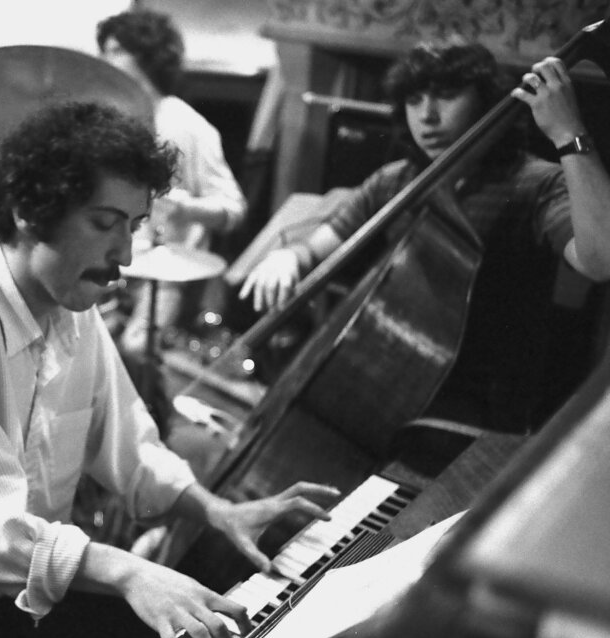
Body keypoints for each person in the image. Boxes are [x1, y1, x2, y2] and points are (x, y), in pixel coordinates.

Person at [0, 101, 339, 638]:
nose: (126, 254)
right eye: (104, 223)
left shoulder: (74, 310)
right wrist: (130, 572)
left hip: (23, 599)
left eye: (133, 226)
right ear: (28, 212)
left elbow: (130, 446)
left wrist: (217, 511)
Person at [240, 38, 610, 442]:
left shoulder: (535, 183)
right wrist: (290, 255)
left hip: (479, 414)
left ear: (486, 100)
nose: (427, 116)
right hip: (384, 392)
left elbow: (601, 260)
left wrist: (569, 134)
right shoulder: (395, 181)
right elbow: (320, 245)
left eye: (447, 95)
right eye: (414, 100)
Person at [97, 10, 247, 360]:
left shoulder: (188, 126)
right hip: (111, 262)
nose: (104, 61)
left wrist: (184, 208)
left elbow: (234, 209)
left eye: (116, 50)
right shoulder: (109, 119)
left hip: (165, 275)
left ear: (147, 56)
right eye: (104, 50)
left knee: (135, 349)